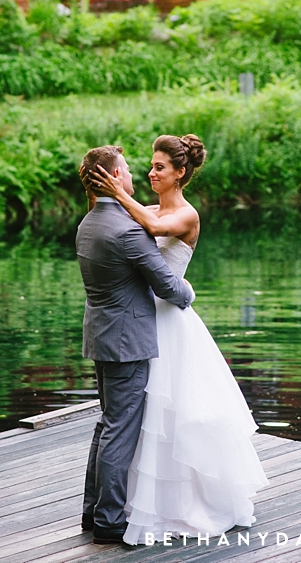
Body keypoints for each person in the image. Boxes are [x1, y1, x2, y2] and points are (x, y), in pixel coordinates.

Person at [88, 133, 269, 545]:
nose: (151, 173)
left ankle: (184, 503)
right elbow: (120, 224)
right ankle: (131, 504)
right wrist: (101, 191)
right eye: (149, 167)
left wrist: (119, 190)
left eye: (160, 167)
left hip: (170, 321)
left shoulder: (186, 215)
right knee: (140, 417)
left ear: (180, 173)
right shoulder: (145, 207)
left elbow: (151, 227)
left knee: (177, 413)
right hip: (138, 322)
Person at [76, 145, 195, 545]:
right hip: (130, 341)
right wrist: (188, 293)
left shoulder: (88, 224)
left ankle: (92, 512)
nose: (134, 175)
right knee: (120, 430)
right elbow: (166, 285)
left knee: (106, 424)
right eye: (126, 169)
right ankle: (110, 521)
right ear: (112, 177)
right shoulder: (128, 229)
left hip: (101, 335)